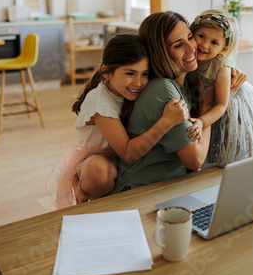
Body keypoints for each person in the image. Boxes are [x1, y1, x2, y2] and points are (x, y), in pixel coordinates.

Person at [46, 34, 188, 208]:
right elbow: (128, 154)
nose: (138, 82)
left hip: (119, 155)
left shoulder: (126, 89)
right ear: (107, 71)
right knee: (98, 172)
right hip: (99, 158)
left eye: (144, 74)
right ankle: (95, 206)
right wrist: (166, 121)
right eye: (130, 73)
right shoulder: (100, 102)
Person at [112, 11, 220, 192]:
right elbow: (195, 160)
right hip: (136, 193)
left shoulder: (182, 82)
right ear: (160, 53)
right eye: (178, 45)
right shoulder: (162, 90)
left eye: (190, 37)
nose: (191, 48)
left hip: (166, 187)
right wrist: (208, 107)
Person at [188, 9, 253, 167]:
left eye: (214, 42)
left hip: (230, 110)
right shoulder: (190, 58)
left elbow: (221, 105)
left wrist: (202, 121)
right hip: (209, 106)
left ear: (223, 49)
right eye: (201, 36)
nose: (204, 44)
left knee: (234, 151)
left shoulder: (221, 69)